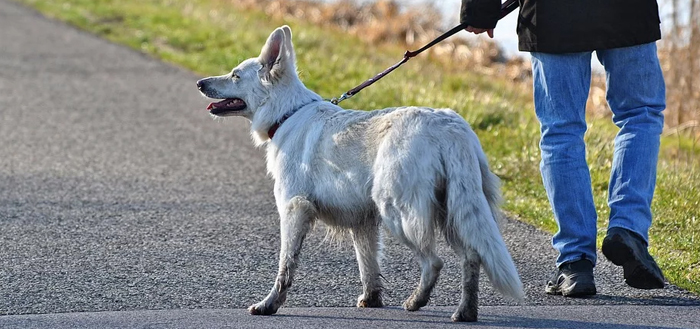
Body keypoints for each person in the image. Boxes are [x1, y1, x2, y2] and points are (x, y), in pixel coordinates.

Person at [460, 0, 667, 297]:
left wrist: (479, 7)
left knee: (561, 130)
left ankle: (575, 263)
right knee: (640, 114)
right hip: (627, 10)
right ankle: (628, 228)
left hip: (553, 13)